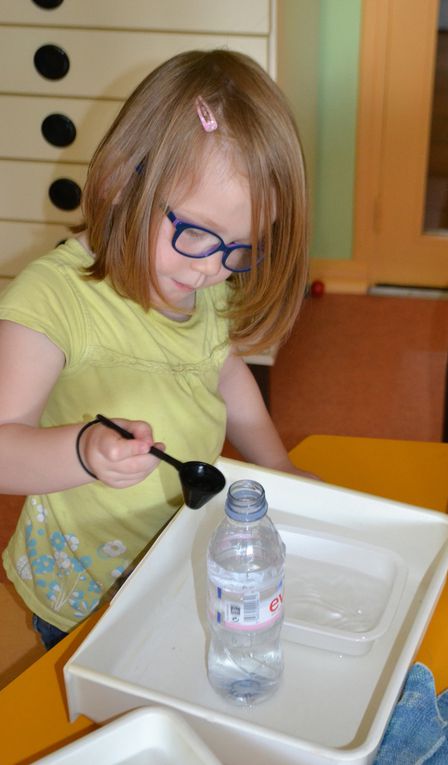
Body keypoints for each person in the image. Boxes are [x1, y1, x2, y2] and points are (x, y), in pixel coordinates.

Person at [0, 49, 309, 650]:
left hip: (174, 552)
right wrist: (84, 453)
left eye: (241, 248)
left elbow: (223, 373)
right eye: (195, 232)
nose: (212, 270)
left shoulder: (205, 281)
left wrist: (279, 467)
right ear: (121, 180)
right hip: (82, 584)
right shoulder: (53, 299)